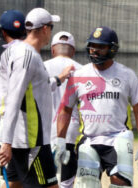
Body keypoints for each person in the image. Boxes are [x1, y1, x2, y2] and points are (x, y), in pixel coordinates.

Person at [56, 26, 138, 188]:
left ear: (112, 49)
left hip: (118, 138)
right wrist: (61, 140)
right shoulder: (78, 75)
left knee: (121, 185)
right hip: (90, 140)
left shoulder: (127, 75)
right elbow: (65, 109)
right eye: (92, 46)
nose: (95, 51)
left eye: (101, 47)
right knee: (86, 185)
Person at [0, 7, 61, 188]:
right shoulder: (26, 55)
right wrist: (7, 142)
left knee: (13, 185)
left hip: (21, 136)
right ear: (44, 29)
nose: (50, 32)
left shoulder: (19, 52)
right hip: (32, 139)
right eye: (51, 27)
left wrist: (58, 79)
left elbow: (30, 90)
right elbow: (14, 98)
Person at [43, 31, 82, 188]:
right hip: (70, 128)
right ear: (72, 51)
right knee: (68, 176)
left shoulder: (41, 67)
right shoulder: (83, 70)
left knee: (45, 176)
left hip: (44, 129)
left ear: (53, 49)